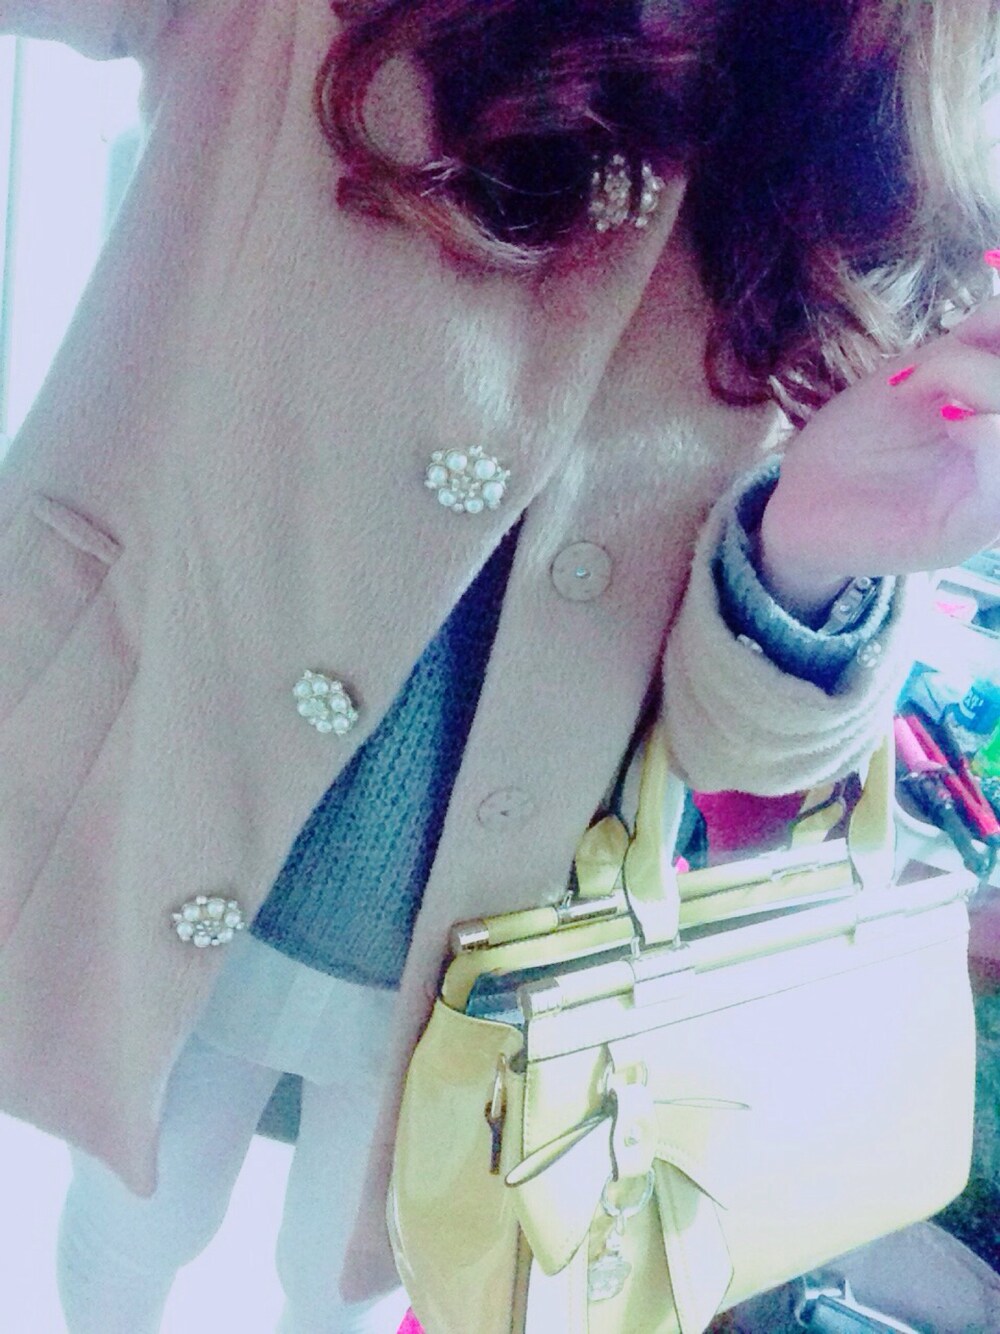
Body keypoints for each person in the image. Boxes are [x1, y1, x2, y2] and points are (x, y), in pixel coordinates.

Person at [0, 0, 997, 1331]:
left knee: (352, 1269)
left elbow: (740, 749)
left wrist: (813, 545)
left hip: (487, 948)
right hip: (152, 788)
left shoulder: (885, 153)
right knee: (135, 1207)